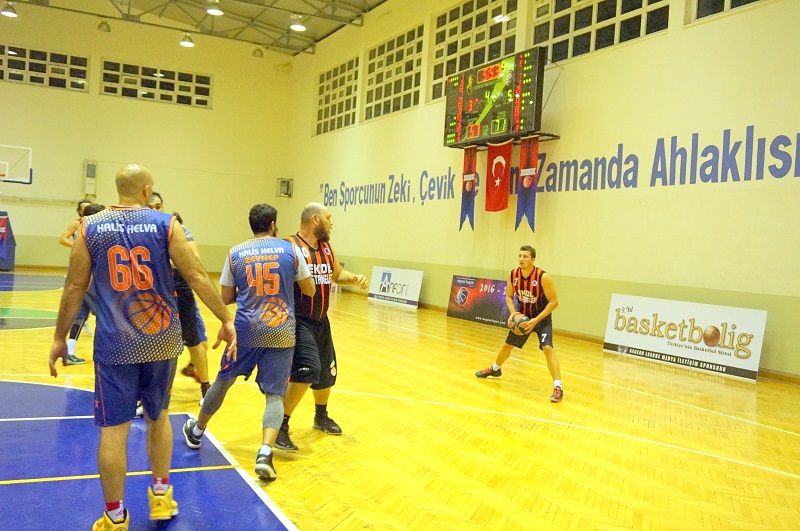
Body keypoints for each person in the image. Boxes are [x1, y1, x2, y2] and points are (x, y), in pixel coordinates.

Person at [48, 164, 236, 530]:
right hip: (161, 341)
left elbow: (74, 286)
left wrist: (59, 337)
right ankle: (161, 496)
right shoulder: (166, 224)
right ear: (147, 189)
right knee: (158, 417)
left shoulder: (89, 227)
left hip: (115, 343)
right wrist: (226, 319)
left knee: (113, 431)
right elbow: (196, 274)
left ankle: (115, 516)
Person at [182, 203, 315, 482]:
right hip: (281, 329)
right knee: (275, 395)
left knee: (223, 381)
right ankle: (265, 452)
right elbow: (310, 290)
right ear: (273, 224)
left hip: (245, 330)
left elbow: (226, 297)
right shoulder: (291, 250)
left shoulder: (236, 253)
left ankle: (197, 431)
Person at [274, 202, 369, 452]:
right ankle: (280, 426)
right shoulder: (289, 246)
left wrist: (354, 278)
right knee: (308, 370)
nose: (332, 223)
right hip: (299, 320)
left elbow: (336, 274)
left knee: (327, 372)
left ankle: (321, 416)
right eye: (329, 217)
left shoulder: (326, 248)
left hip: (321, 321)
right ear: (315, 219)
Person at [475, 245, 563, 403]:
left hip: (541, 319)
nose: (521, 259)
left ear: (533, 260)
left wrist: (536, 320)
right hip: (523, 318)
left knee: (548, 349)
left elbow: (554, 302)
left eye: (525, 256)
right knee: (507, 346)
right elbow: (509, 296)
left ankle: (558, 387)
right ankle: (495, 369)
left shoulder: (543, 277)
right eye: (520, 256)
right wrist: (513, 314)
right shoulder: (513, 274)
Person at [148, 192, 211, 403]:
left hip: (180, 289)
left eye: (158, 206)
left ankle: (206, 388)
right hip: (154, 291)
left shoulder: (177, 229)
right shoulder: (142, 232)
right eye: (151, 207)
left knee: (194, 340)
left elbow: (194, 259)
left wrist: (168, 261)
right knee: (156, 344)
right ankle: (152, 394)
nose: (155, 210)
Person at [57, 199, 95, 364]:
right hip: (84, 274)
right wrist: (76, 247)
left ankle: (69, 351)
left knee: (81, 313)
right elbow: (62, 239)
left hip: (89, 274)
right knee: (104, 313)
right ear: (80, 211)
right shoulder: (78, 225)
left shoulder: (95, 228)